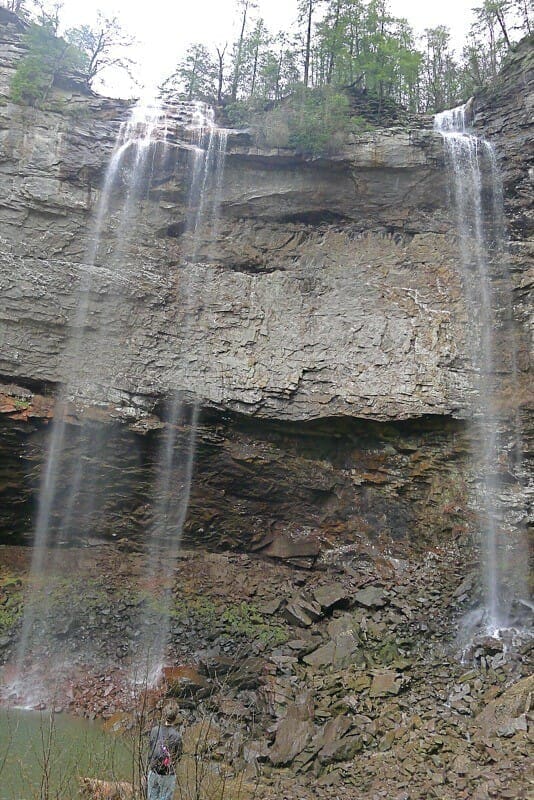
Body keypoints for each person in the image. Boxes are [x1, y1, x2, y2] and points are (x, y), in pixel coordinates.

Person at [147, 704, 183, 800]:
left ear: (163, 715)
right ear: (175, 717)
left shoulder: (154, 730)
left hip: (153, 770)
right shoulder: (177, 736)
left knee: (152, 797)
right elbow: (178, 757)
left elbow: (150, 748)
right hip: (167, 773)